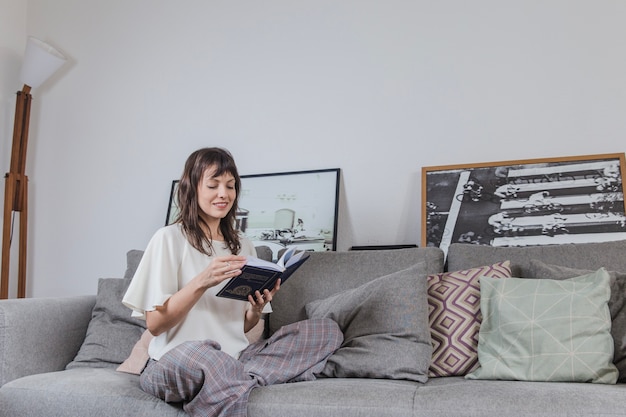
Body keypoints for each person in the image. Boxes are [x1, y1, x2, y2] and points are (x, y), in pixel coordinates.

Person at [122, 147, 343, 417]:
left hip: (235, 357)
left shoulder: (242, 245)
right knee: (200, 352)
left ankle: (232, 379)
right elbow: (155, 324)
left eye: (230, 186)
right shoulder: (169, 238)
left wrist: (256, 308)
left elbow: (240, 326)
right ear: (192, 189)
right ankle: (245, 380)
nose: (223, 194)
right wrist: (201, 282)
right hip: (175, 362)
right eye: (213, 185)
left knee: (325, 330)